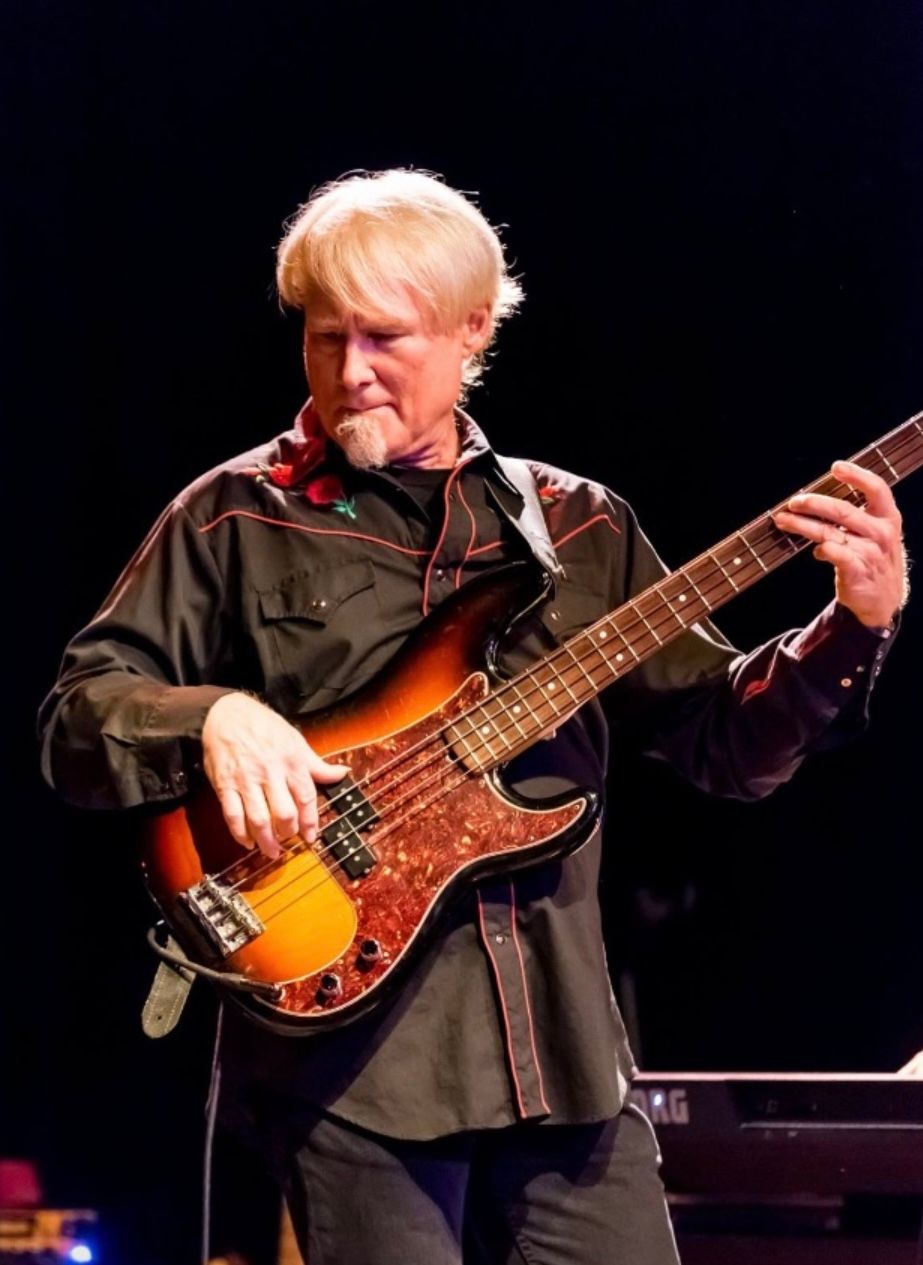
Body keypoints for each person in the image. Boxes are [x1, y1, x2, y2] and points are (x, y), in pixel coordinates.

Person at [38, 170, 908, 1265]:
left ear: (471, 331)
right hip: (346, 1072)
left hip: (563, 1064)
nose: (348, 372)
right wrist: (213, 718)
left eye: (383, 338)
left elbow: (725, 746)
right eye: (324, 338)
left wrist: (850, 628)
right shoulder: (232, 517)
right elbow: (78, 714)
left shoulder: (577, 526)